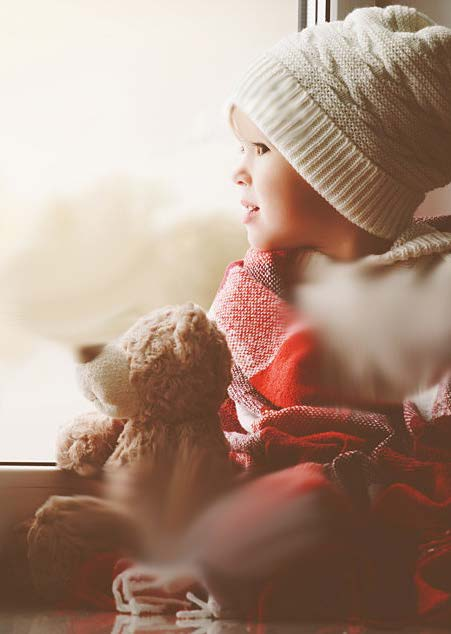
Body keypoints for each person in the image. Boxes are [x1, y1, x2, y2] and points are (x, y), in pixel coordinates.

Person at [113, 5, 451, 626]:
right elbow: (210, 405)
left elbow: (438, 443)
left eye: (262, 148)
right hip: (263, 493)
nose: (237, 169)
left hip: (371, 510)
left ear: (347, 176)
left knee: (307, 502)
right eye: (240, 146)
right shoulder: (254, 288)